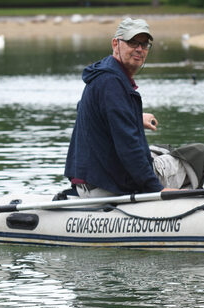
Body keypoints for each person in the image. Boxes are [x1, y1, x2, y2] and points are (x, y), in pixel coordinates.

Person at [64, 17, 177, 198]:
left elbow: (93, 112)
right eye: (133, 42)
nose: (139, 49)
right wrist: (157, 190)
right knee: (196, 158)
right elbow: (129, 146)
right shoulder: (112, 83)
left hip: (89, 182)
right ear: (115, 43)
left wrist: (134, 117)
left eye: (144, 44)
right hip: (105, 187)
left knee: (163, 153)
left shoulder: (102, 75)